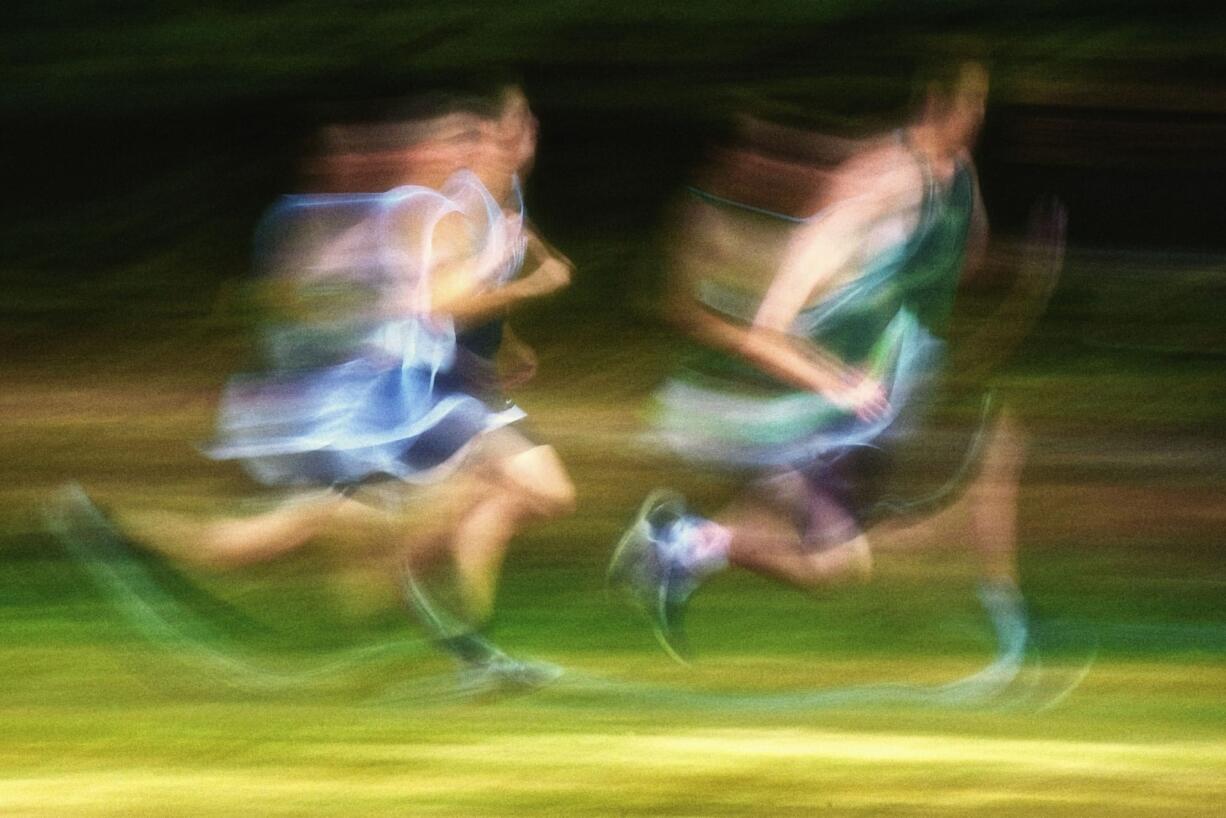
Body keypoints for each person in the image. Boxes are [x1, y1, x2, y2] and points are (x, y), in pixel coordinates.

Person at [54, 85, 576, 693]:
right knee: (324, 529)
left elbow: (457, 288)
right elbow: (434, 303)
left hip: (402, 401)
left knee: (286, 533)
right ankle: (448, 624)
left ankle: (109, 523)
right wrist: (530, 288)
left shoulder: (464, 203)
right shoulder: (420, 209)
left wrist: (507, 334)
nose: (507, 137)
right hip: (378, 405)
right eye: (471, 133)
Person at [609, 59, 1061, 666]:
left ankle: (680, 545)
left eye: (980, 111)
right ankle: (681, 541)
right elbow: (769, 328)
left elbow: (957, 259)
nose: (973, 123)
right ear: (932, 102)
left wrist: (1023, 266)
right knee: (835, 563)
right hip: (821, 407)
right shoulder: (868, 191)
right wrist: (835, 382)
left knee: (804, 524)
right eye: (964, 108)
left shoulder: (954, 176)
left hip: (884, 397)